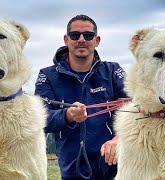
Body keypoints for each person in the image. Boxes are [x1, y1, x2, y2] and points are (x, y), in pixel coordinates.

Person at [35, 14, 127, 180]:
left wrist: (120, 139)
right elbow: (40, 118)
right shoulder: (47, 76)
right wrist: (67, 116)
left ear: (97, 40)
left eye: (88, 35)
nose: (82, 39)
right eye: (75, 35)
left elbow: (135, 109)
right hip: (72, 168)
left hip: (114, 165)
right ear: (66, 39)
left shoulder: (113, 71)